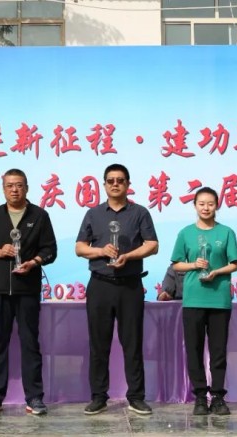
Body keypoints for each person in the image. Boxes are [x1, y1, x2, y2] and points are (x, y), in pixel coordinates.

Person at [75, 163, 159, 415]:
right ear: (104, 184)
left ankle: (136, 397)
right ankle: (98, 396)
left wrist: (129, 256)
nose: (115, 184)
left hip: (129, 285)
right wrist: (101, 251)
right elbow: (79, 248)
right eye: (110, 180)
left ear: (128, 184)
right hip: (100, 285)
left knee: (132, 343)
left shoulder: (140, 213)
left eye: (120, 180)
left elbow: (152, 245)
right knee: (98, 344)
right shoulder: (93, 214)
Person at [0, 169, 57, 416]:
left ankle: (35, 397)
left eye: (19, 185)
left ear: (27, 188)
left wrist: (34, 262)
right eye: (9, 185)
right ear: (3, 189)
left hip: (28, 290)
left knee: (30, 343)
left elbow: (50, 250)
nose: (14, 190)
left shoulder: (39, 216)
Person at [170, 187, 237, 416]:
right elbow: (176, 264)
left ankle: (218, 396)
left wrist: (217, 272)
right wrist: (194, 265)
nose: (206, 208)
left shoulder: (226, 232)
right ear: (195, 205)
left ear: (217, 205)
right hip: (193, 299)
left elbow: (235, 264)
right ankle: (200, 396)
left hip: (219, 298)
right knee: (194, 349)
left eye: (210, 203)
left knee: (218, 350)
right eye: (201, 203)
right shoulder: (185, 233)